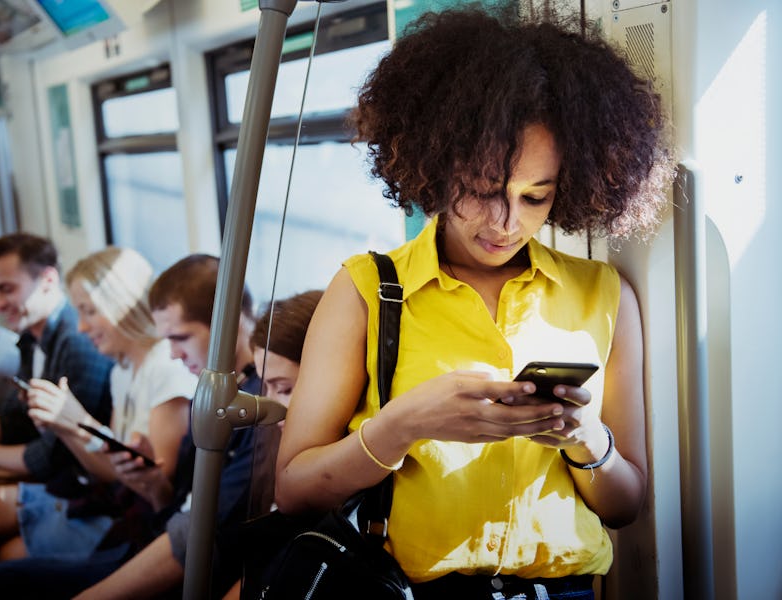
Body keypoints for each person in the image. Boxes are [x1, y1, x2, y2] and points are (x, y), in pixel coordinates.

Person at [274, 6, 675, 600]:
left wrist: (588, 439)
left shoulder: (603, 294)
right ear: (435, 168)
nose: (506, 222)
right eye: (484, 190)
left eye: (535, 197)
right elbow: (293, 491)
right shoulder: (367, 290)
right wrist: (403, 426)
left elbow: (625, 506)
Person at [76, 289, 323, 600]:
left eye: (283, 389)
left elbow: (209, 535)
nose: (172, 354)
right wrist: (153, 484)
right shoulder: (210, 401)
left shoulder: (255, 424)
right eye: (266, 387)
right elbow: (181, 512)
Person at [0, 246, 197, 564]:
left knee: (7, 553)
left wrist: (78, 420)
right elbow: (108, 473)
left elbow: (149, 491)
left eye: (90, 311)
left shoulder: (165, 369)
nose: (82, 327)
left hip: (137, 519)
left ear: (123, 304)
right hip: (110, 499)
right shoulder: (122, 371)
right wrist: (65, 426)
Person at [0, 233, 113, 481]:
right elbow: (13, 426)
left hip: (77, 481)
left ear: (48, 280)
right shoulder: (29, 340)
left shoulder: (77, 342)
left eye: (7, 289)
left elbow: (56, 456)